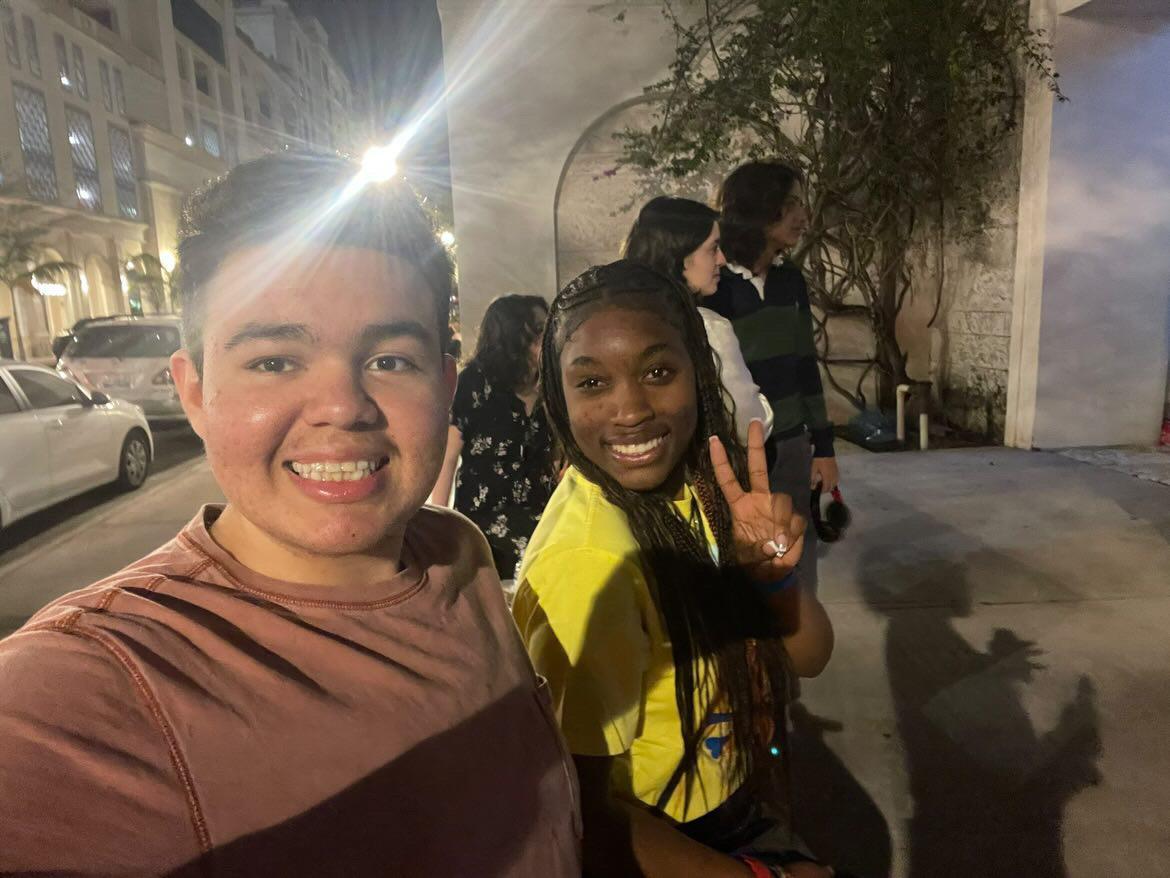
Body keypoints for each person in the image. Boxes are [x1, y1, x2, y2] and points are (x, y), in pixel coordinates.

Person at [0, 153, 580, 876]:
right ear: (194, 391)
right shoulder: (83, 691)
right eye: (274, 361)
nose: (342, 407)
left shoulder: (454, 552)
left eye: (390, 360)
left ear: (444, 383)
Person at [513, 260, 836, 877]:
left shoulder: (697, 489)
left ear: (698, 370)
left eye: (658, 372)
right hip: (668, 841)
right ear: (559, 395)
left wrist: (770, 579)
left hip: (733, 805)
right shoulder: (590, 566)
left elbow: (809, 656)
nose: (631, 410)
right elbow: (583, 814)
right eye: (592, 383)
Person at [707, 161, 840, 594]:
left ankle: (801, 628)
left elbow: (805, 364)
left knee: (797, 549)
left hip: (792, 443)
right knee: (744, 556)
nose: (803, 216)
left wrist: (824, 447)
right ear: (761, 208)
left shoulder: (789, 281)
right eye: (792, 204)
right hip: (739, 448)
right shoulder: (716, 285)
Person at [624, 195, 774, 445]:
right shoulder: (708, 329)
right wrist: (762, 405)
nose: (722, 260)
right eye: (713, 249)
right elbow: (750, 427)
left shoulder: (619, 321)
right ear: (680, 255)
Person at [429, 294, 556, 582]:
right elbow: (448, 457)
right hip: (486, 515)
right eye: (538, 330)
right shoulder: (475, 383)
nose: (548, 337)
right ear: (513, 336)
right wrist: (439, 525)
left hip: (542, 512)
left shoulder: (551, 384)